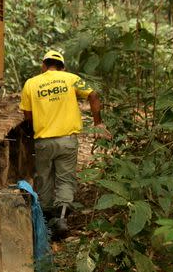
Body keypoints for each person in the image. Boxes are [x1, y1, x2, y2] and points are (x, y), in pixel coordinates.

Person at [19, 50, 110, 239]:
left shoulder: (31, 83)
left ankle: (43, 223)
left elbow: (27, 116)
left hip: (43, 141)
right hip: (67, 141)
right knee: (65, 179)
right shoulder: (71, 78)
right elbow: (93, 95)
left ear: (44, 66)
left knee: (43, 178)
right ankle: (61, 219)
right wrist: (98, 123)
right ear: (62, 67)